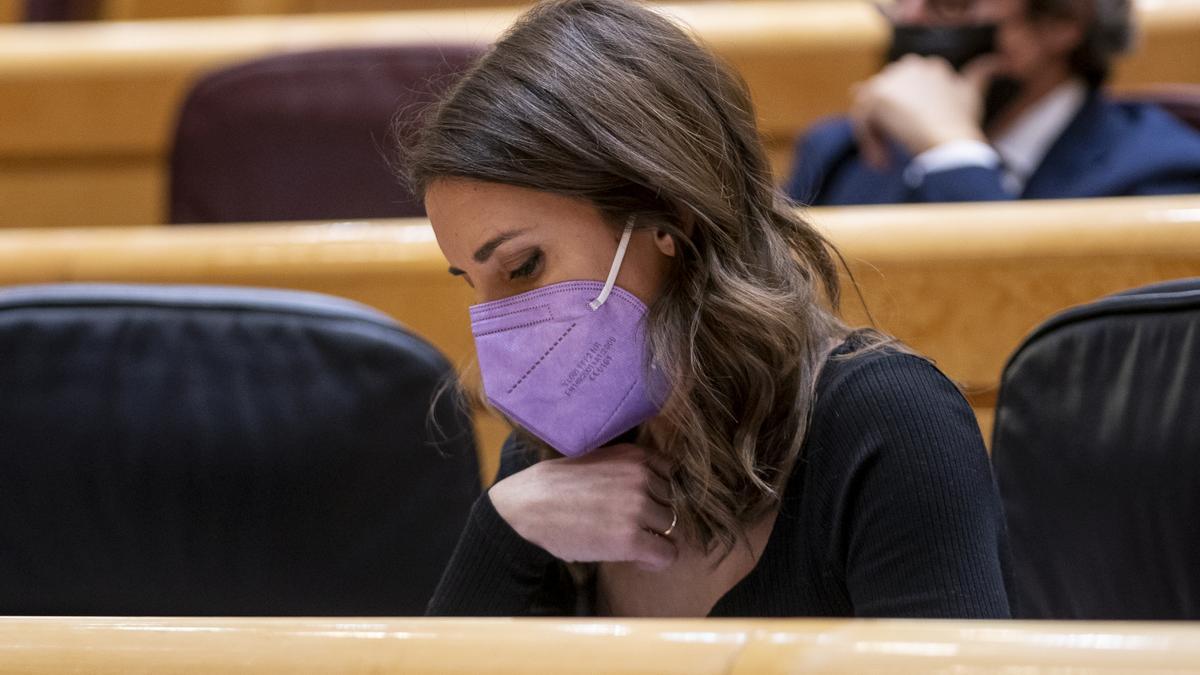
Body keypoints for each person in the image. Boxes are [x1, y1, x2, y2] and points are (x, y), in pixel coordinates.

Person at [405, 0, 1011, 618]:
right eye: (470, 282)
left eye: (523, 266)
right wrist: (499, 533)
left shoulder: (890, 424)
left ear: (666, 214)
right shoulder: (547, 472)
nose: (497, 334)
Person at [786, 0, 1200, 205]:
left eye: (950, 5)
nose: (909, 20)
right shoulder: (838, 154)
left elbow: (1034, 325)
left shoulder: (1161, 177)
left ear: (1062, 21)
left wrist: (953, 156)